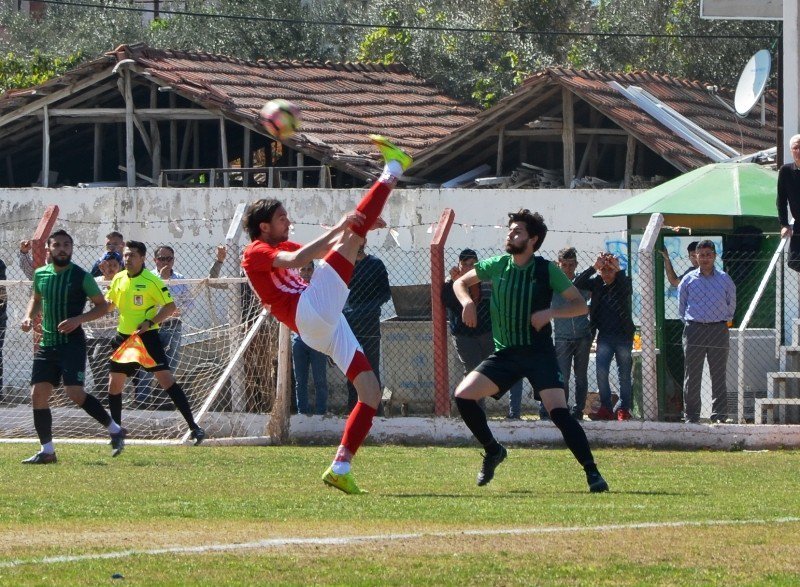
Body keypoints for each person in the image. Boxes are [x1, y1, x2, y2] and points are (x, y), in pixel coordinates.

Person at [241, 134, 411, 494]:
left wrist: (361, 228)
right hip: (310, 313)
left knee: (370, 392)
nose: (288, 222)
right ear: (263, 227)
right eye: (282, 218)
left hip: (321, 322)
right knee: (351, 235)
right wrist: (347, 228)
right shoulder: (254, 251)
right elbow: (300, 260)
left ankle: (341, 466)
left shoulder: (278, 241)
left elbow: (323, 248)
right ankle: (392, 168)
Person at [452, 209, 608, 493]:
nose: (510, 234)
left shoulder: (546, 269)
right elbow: (460, 282)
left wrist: (549, 313)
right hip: (507, 353)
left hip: (538, 353)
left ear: (533, 240)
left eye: (517, 231)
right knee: (463, 396)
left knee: (559, 413)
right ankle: (493, 450)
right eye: (510, 230)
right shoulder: (497, 265)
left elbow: (580, 305)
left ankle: (592, 473)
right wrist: (467, 303)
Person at [19, 229, 125, 464]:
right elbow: (36, 299)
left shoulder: (81, 276)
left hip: (72, 343)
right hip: (47, 344)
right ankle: (47, 451)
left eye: (67, 245)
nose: (62, 249)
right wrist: (28, 317)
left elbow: (102, 306)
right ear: (49, 249)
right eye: (57, 245)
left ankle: (114, 428)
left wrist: (79, 319)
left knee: (74, 393)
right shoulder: (40, 274)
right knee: (38, 394)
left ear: (72, 248)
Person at [104, 240, 205, 443]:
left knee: (166, 380)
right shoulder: (119, 279)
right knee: (114, 386)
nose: (128, 259)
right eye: (125, 255)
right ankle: (116, 433)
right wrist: (87, 313)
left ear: (142, 258)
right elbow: (109, 304)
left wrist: (149, 322)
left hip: (147, 338)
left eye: (132, 255)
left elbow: (169, 307)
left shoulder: (152, 281)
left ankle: (194, 427)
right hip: (124, 338)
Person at [442, 248, 523, 419]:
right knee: (472, 371)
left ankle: (511, 411)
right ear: (459, 265)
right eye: (465, 264)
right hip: (464, 335)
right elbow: (451, 305)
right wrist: (457, 284)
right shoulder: (452, 284)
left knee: (492, 370)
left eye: (473, 264)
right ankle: (477, 413)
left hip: (487, 332)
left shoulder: (486, 281)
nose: (469, 267)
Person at [678, 240, 736, 423]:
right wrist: (692, 322)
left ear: (714, 256)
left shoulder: (725, 279)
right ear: (696, 256)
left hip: (718, 329)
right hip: (694, 329)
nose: (705, 258)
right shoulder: (688, 280)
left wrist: (722, 320)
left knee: (718, 374)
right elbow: (681, 306)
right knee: (692, 375)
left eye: (708, 254)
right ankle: (691, 416)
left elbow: (731, 303)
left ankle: (719, 415)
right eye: (701, 255)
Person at [575, 252, 635, 421]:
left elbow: (627, 288)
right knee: (601, 372)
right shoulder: (597, 283)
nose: (607, 273)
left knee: (624, 374)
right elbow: (578, 283)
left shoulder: (622, 282)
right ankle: (606, 408)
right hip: (604, 337)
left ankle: (624, 409)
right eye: (604, 270)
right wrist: (595, 266)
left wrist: (618, 269)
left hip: (623, 337)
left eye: (610, 270)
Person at [343, 240, 391, 413]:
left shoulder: (375, 264)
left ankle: (375, 410)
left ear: (365, 241)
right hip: (349, 322)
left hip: (370, 321)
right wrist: (346, 310)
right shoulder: (345, 264)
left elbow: (385, 292)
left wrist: (371, 306)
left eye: (362, 239)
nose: (359, 242)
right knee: (351, 367)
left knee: (372, 366)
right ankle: (352, 409)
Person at [551, 247, 592, 420]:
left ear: (576, 264)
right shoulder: (553, 284)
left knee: (581, 376)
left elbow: (590, 297)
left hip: (582, 335)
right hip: (562, 336)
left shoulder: (582, 283)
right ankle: (564, 409)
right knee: (563, 376)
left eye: (571, 265)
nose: (568, 268)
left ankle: (579, 409)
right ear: (559, 265)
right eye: (564, 265)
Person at [292, 261, 329, 415]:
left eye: (309, 269)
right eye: (303, 270)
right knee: (300, 380)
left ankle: (321, 412)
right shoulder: (293, 290)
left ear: (314, 271)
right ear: (298, 272)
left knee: (320, 379)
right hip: (299, 339)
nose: (306, 273)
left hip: (317, 339)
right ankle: (302, 412)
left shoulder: (319, 289)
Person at [85, 251, 123, 394]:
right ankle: (102, 393)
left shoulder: (122, 282)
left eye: (115, 265)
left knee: (103, 360)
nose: (111, 268)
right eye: (108, 265)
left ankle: (107, 394)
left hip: (112, 332)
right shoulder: (94, 282)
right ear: (101, 267)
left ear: (120, 266)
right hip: (92, 332)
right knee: (95, 364)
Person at [778, 134, 800, 272]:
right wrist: (784, 224)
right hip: (798, 223)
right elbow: (781, 199)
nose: (798, 151)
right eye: (795, 148)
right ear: (791, 150)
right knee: (793, 261)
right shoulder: (785, 171)